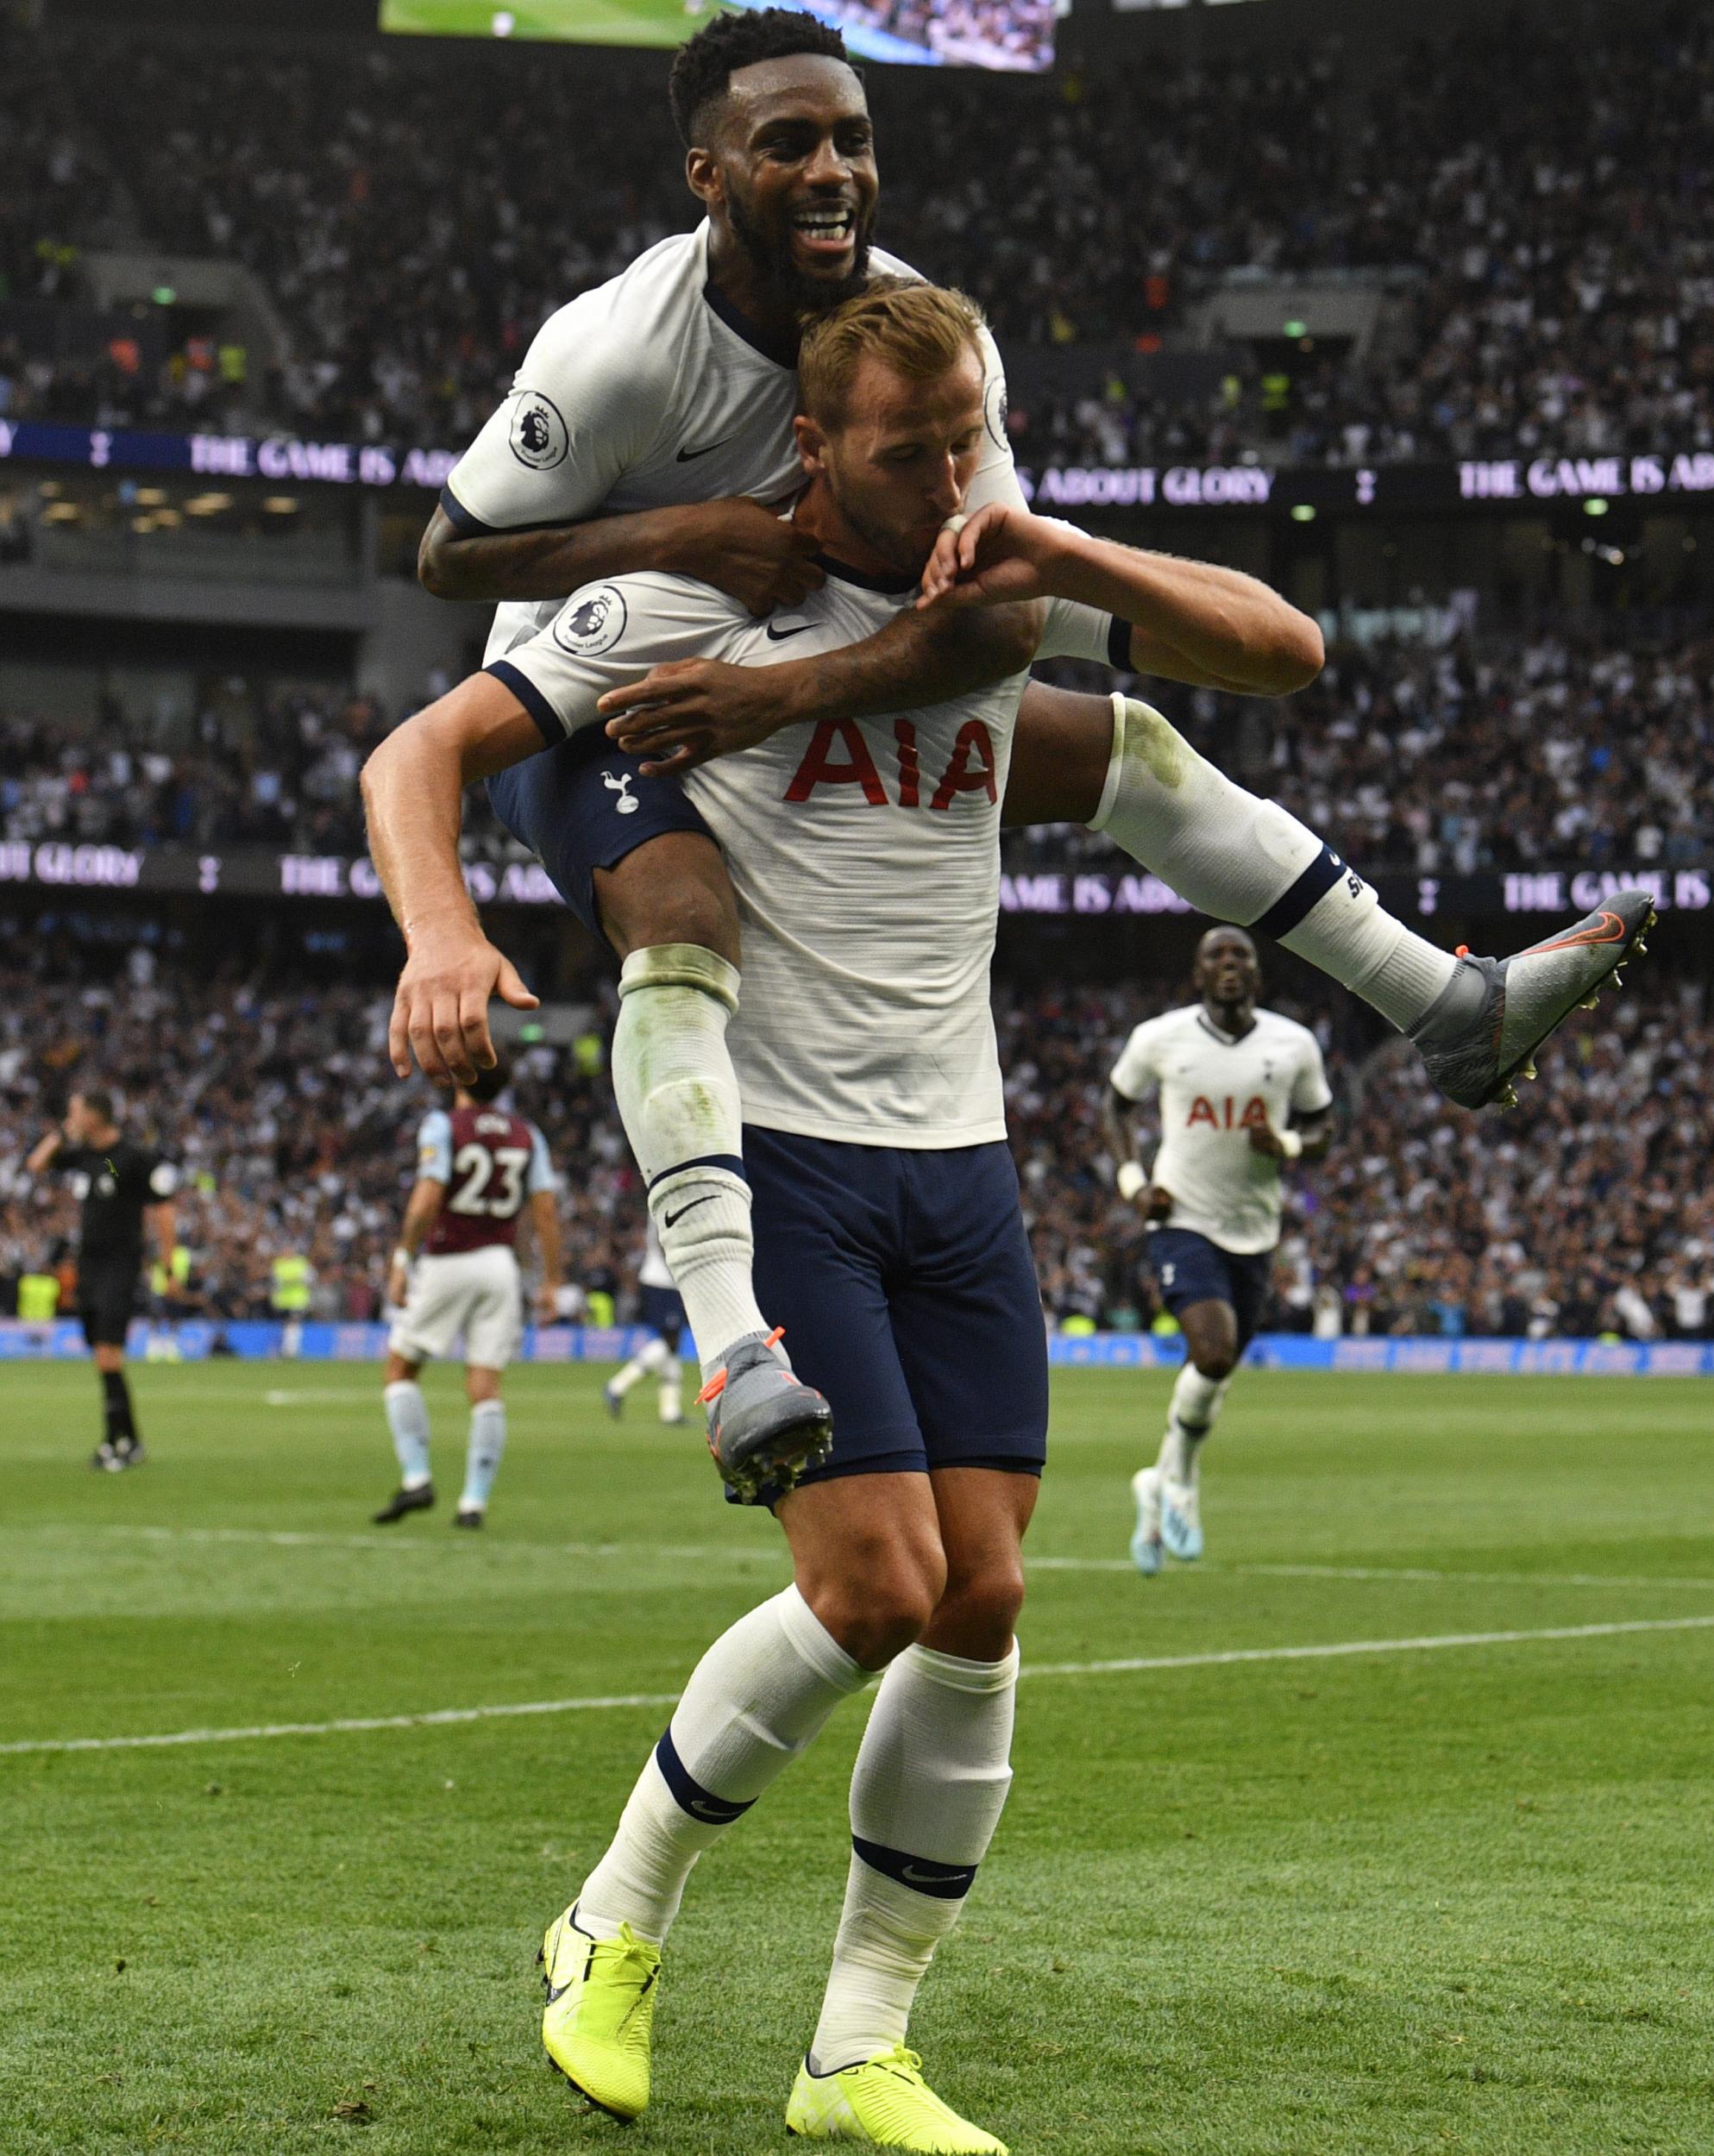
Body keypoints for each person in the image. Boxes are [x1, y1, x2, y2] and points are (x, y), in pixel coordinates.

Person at [367, 278, 1389, 2152]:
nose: (941, 471)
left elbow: (1282, 651)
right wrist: (446, 929)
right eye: (903, 447)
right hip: (786, 1151)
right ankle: (613, 1909)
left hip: (961, 1155)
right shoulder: (679, 606)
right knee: (870, 1586)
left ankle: (857, 2052)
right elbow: (418, 751)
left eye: (963, 434)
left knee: (984, 1596)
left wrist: (1052, 535)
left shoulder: (992, 590)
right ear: (808, 448)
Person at [417, 8, 1655, 1461]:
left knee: (1123, 750)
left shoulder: (929, 340)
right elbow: (449, 556)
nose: (833, 169)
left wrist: (793, 686)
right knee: (682, 909)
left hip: (797, 644)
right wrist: (683, 534)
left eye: (855, 139)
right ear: (707, 172)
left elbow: (996, 605)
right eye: (791, 142)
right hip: (601, 686)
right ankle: (728, 1345)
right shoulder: (620, 349)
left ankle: (1442, 1007)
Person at [1104, 929, 1334, 1575]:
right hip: (1182, 1217)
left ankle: (1159, 1481)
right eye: (1216, 957)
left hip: (1255, 1230)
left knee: (1219, 1371)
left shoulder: (1292, 1045)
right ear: (1197, 975)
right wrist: (1134, 1184)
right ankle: (1182, 1484)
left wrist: (1287, 1144)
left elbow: (1323, 1126)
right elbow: (1115, 1107)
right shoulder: (1160, 1038)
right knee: (1212, 1351)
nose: (1230, 966)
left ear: (1257, 976)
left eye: (1242, 957)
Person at [373, 1057, 562, 1530]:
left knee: (400, 1367)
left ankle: (417, 1476)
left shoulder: (444, 1125)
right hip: (500, 1266)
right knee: (485, 1386)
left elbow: (429, 1196)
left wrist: (401, 1257)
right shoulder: (527, 1135)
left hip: (448, 1259)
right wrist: (552, 1280)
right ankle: (473, 1503)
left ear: (458, 1081)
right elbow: (545, 1213)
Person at [26, 1087, 179, 1471]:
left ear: (95, 1115)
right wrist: (62, 1134)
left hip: (119, 1265)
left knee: (109, 1353)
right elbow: (35, 1165)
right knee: (102, 1356)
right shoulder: (87, 1157)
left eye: (75, 1111)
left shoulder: (132, 1158)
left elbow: (163, 1212)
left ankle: (115, 1442)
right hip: (89, 1267)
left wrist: (169, 1266)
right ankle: (131, 1441)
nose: (70, 1116)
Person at [604, 1221, 688, 1426]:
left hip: (664, 1281)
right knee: (670, 1342)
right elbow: (663, 1240)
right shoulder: (667, 1198)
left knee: (672, 1345)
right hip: (663, 1281)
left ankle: (670, 1411)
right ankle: (616, 1386)